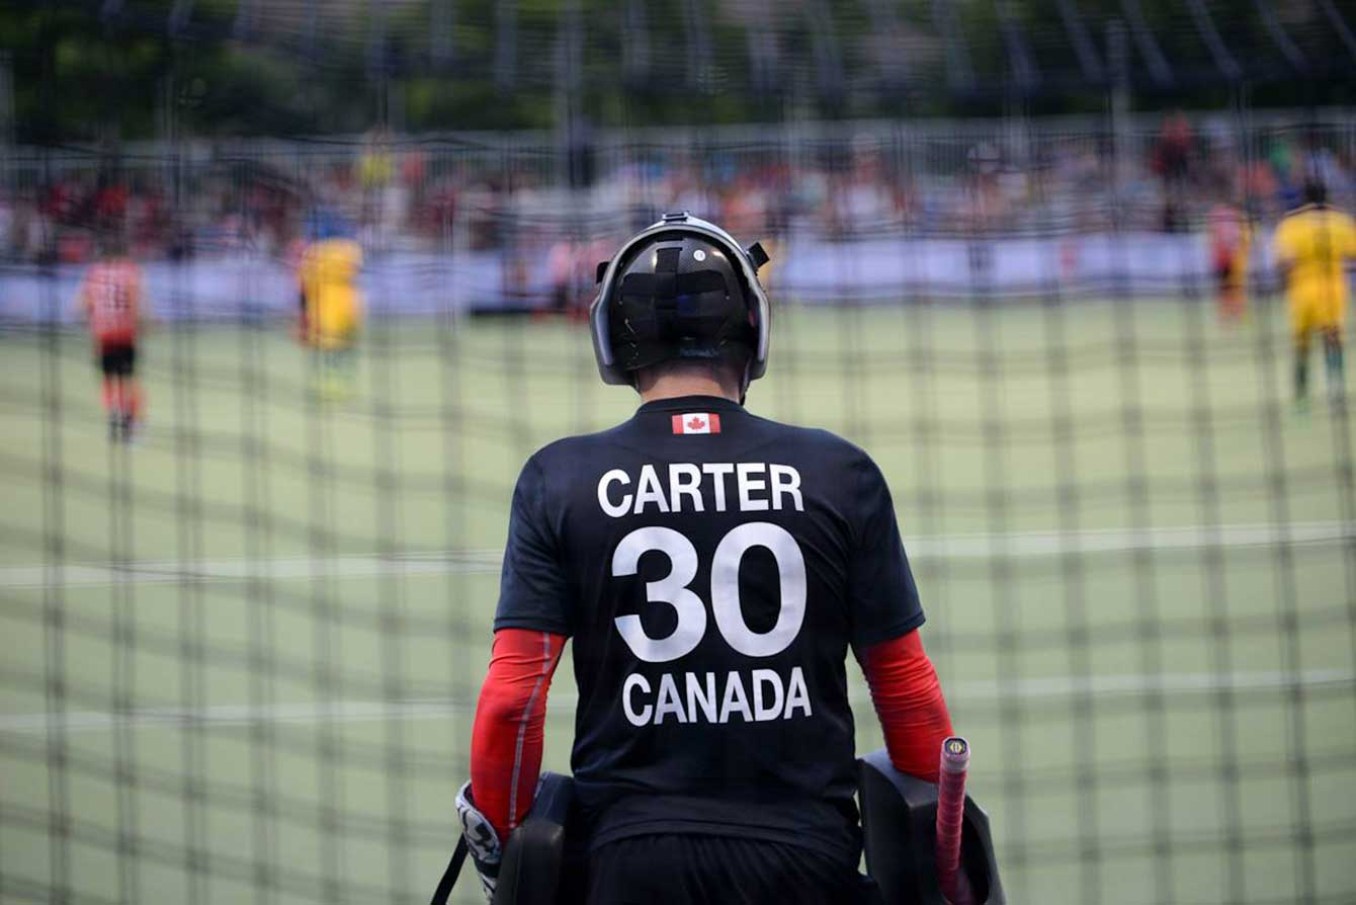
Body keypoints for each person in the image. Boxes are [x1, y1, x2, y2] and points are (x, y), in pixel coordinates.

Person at [456, 213, 957, 903]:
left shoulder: (558, 478)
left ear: (613, 337)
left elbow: (513, 700)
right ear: (753, 330)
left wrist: (505, 841)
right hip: (809, 861)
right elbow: (907, 689)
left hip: (629, 866)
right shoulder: (840, 472)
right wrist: (946, 855)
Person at [1272, 181, 1356, 411]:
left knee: (1301, 343)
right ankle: (1335, 392)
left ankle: (1301, 397)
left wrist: (1282, 286)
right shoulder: (1341, 221)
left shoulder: (1292, 224)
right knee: (1332, 339)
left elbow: (1285, 262)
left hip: (1302, 289)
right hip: (1333, 288)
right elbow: (1352, 256)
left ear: (1304, 197)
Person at [78, 239, 147, 442]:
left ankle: (113, 415)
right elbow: (136, 302)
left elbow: (82, 304)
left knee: (109, 380)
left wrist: (91, 322)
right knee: (128, 379)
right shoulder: (131, 271)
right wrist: (144, 324)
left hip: (103, 334)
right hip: (125, 333)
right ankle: (131, 422)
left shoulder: (94, 273)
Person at [297, 216, 364, 400]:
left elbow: (304, 283)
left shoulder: (313, 252)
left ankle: (325, 385)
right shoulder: (352, 249)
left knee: (322, 347)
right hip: (350, 303)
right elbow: (356, 274)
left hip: (323, 303)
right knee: (346, 346)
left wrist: (302, 311)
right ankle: (346, 383)